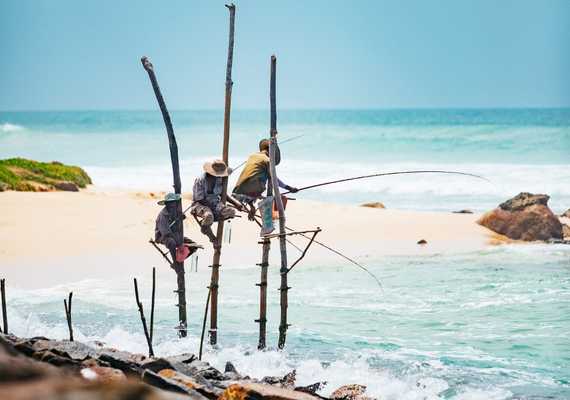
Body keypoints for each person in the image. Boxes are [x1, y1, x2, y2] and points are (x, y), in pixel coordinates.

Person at [232, 139, 298, 220]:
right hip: (252, 192)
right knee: (274, 199)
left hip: (238, 191)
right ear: (270, 151)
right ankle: (258, 208)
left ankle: (252, 206)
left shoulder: (252, 156)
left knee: (260, 176)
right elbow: (274, 179)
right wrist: (289, 188)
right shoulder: (267, 160)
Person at [191, 159, 236, 244]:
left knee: (231, 212)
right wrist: (214, 207)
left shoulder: (219, 179)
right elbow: (199, 199)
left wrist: (236, 204)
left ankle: (208, 222)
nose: (218, 176)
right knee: (208, 215)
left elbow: (223, 195)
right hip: (200, 204)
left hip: (215, 204)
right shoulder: (200, 180)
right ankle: (210, 235)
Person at [155, 192, 202, 264]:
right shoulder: (162, 216)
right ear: (167, 204)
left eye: (173, 202)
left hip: (175, 234)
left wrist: (181, 217)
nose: (172, 204)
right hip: (163, 237)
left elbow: (182, 217)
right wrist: (179, 242)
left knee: (193, 245)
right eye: (170, 203)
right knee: (171, 242)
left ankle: (179, 258)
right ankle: (175, 261)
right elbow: (166, 233)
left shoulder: (176, 211)